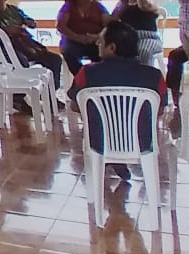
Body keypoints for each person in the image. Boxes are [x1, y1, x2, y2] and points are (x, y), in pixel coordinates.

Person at [68, 20, 167, 182]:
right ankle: (119, 158)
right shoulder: (154, 76)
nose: (98, 44)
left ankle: (110, 158)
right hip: (141, 143)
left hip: (99, 143)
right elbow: (160, 110)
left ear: (112, 47)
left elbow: (75, 105)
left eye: (101, 41)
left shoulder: (86, 72)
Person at [0, 0, 63, 93]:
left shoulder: (14, 10)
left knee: (55, 59)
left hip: (24, 44)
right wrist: (6, 31)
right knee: (21, 63)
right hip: (5, 49)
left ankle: (50, 93)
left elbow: (30, 22)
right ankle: (19, 96)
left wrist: (28, 23)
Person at [56, 0, 109, 74]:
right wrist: (78, 38)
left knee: (103, 53)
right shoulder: (68, 6)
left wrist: (97, 36)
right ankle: (81, 75)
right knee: (68, 51)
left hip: (95, 39)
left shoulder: (98, 6)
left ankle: (98, 75)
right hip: (73, 40)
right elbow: (61, 26)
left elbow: (108, 24)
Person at [110, 0, 164, 67]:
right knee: (115, 50)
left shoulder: (151, 0)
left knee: (143, 51)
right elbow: (112, 20)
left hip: (149, 37)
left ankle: (144, 75)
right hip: (128, 37)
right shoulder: (123, 3)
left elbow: (144, 6)